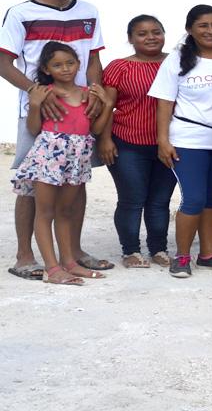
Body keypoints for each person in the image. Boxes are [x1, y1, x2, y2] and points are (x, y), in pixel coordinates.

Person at [1, 0, 111, 280]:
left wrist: (94, 92)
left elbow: (93, 58)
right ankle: (24, 256)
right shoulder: (21, 13)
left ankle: (73, 252)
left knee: (75, 183)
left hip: (80, 114)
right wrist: (38, 94)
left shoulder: (88, 11)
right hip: (39, 115)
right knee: (31, 187)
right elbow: (4, 62)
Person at [149, 4, 212, 279]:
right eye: (203, 25)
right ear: (190, 29)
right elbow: (164, 102)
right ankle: (181, 257)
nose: (210, 30)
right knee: (193, 199)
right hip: (188, 140)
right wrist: (163, 140)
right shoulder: (178, 58)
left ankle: (208, 255)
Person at [12, 42, 113, 285]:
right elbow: (34, 129)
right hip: (49, 155)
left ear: (79, 64)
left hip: (77, 157)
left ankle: (69, 262)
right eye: (57, 65)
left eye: (70, 63)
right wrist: (35, 104)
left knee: (65, 211)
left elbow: (95, 129)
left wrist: (107, 105)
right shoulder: (44, 94)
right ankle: (52, 268)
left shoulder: (88, 94)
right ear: (46, 69)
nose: (65, 68)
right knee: (45, 212)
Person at [98, 15, 177, 269]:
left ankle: (159, 249)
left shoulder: (177, 63)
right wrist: (105, 139)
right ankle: (130, 250)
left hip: (169, 145)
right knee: (132, 199)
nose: (150, 37)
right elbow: (108, 107)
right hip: (127, 143)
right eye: (142, 33)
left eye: (156, 31)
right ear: (130, 39)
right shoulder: (119, 67)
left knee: (160, 200)